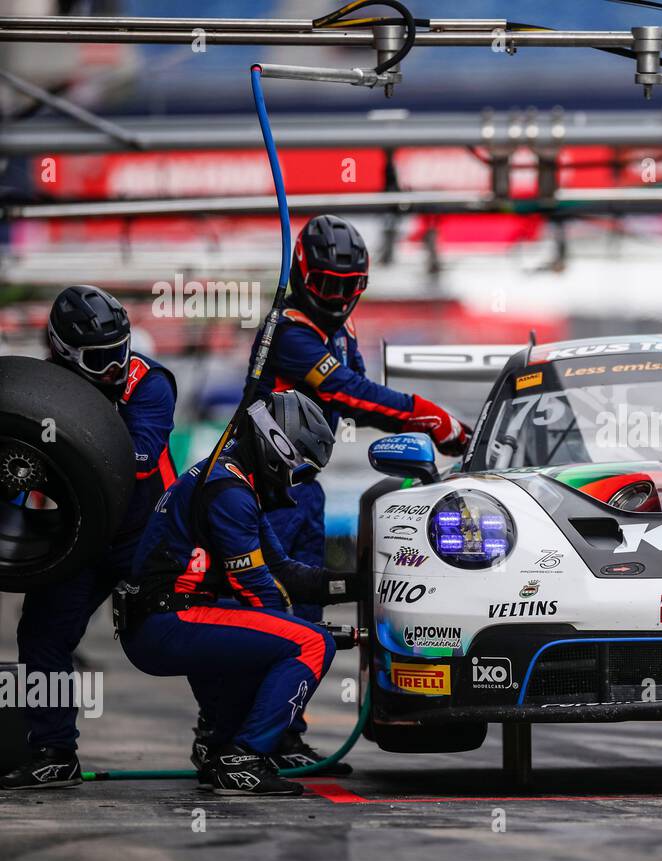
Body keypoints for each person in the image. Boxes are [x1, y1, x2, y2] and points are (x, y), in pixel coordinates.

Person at [123, 391, 357, 796]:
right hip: (166, 622)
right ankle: (243, 756)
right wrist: (306, 631)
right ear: (276, 446)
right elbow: (256, 589)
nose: (296, 479)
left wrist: (359, 585)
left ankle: (218, 745)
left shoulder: (234, 480)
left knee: (285, 634)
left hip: (174, 617)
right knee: (311, 645)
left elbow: (284, 571)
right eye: (298, 465)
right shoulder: (228, 490)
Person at [252, 214, 471, 622]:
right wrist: (430, 416)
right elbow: (348, 391)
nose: (336, 298)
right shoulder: (289, 333)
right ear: (302, 275)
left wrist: (429, 426)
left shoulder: (341, 331)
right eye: (325, 285)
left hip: (304, 489)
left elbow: (362, 402)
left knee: (306, 616)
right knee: (264, 606)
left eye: (348, 286)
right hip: (262, 495)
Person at [2, 287, 177, 791]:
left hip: (144, 537)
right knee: (41, 636)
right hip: (78, 538)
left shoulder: (150, 383)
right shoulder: (36, 388)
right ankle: (54, 751)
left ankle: (225, 739)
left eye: (121, 349)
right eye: (101, 358)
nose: (116, 365)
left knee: (179, 630)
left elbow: (138, 458)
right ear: (63, 351)